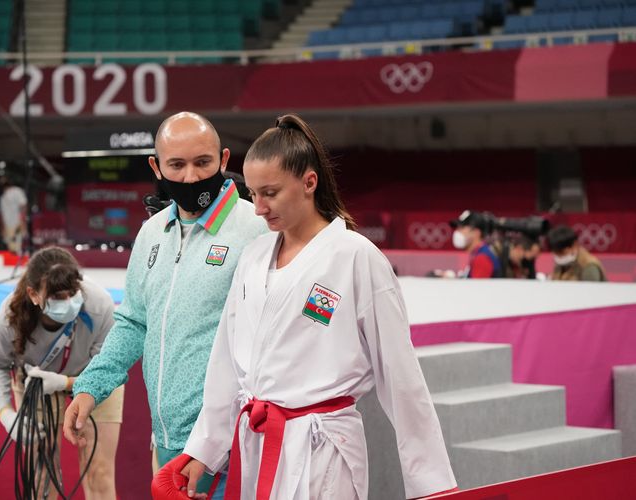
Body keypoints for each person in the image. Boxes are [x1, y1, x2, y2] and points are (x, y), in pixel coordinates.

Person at [177, 114, 457, 499]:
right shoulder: (254, 256)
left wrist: (432, 484)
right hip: (257, 441)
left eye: (270, 193)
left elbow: (402, 377)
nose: (258, 207)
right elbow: (226, 362)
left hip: (321, 451)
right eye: (253, 193)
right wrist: (204, 449)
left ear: (309, 182)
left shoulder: (356, 257)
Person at [63, 112, 268, 497]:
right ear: (156, 167)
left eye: (202, 163)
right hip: (168, 440)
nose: (190, 177)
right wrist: (91, 387)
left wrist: (221, 436)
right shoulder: (152, 232)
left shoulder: (255, 228)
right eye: (177, 165)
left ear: (224, 160)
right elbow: (133, 322)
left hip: (230, 443)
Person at [0, 246, 122, 499]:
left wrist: (64, 381)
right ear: (34, 294)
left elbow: (109, 370)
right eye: (59, 296)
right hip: (37, 383)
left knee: (99, 472)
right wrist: (6, 414)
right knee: (40, 475)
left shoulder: (100, 305)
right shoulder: (10, 318)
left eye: (73, 293)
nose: (69, 301)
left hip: (92, 379)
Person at [450, 210, 501, 278]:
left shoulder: (482, 258)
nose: (457, 232)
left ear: (476, 232)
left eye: (461, 228)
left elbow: (477, 288)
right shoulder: (478, 254)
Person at [0, 175, 28, 254]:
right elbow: (2, 214)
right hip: (8, 226)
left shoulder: (17, 191)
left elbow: (23, 206)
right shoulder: (3, 197)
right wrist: (3, 227)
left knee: (18, 246)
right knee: (11, 248)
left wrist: (23, 220)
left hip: (17, 223)